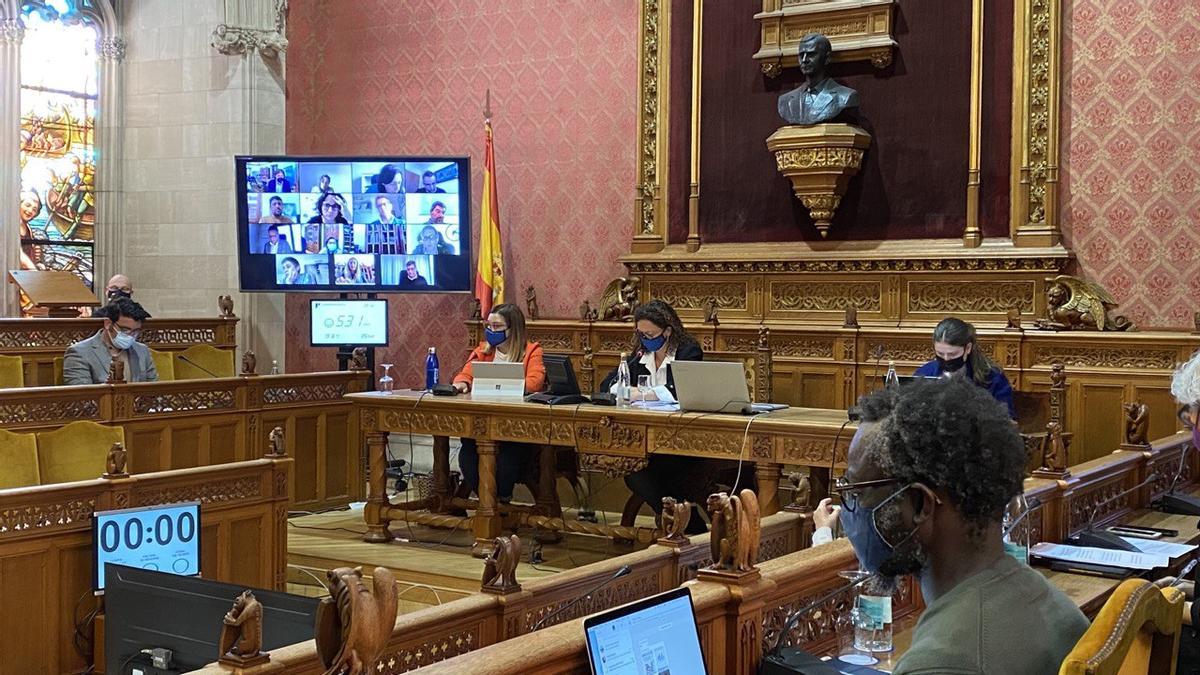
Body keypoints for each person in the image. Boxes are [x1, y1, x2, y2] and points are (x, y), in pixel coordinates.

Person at [830, 378, 1087, 673]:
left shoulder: (940, 664)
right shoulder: (1055, 604)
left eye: (858, 490)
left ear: (919, 505)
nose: (850, 507)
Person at [599, 300, 707, 532]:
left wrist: (641, 394)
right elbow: (607, 384)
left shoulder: (688, 351)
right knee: (634, 472)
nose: (646, 339)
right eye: (641, 334)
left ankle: (686, 523)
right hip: (646, 438)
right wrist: (630, 390)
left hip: (683, 440)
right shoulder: (640, 354)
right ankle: (686, 522)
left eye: (651, 334)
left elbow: (678, 390)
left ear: (668, 331)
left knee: (655, 472)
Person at [452, 303, 545, 502]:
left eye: (497, 327)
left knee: (505, 460)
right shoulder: (483, 351)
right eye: (489, 326)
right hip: (481, 424)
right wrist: (462, 383)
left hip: (516, 428)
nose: (491, 331)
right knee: (468, 454)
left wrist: (503, 384)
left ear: (513, 329)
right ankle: (488, 504)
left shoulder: (531, 351)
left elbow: (535, 383)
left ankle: (501, 501)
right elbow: (464, 374)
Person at [913, 317, 1015, 418]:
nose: (946, 359)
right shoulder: (924, 374)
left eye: (952, 354)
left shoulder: (993, 377)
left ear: (968, 348)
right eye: (940, 353)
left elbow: (1007, 419)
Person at [64, 297, 158, 385]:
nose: (130, 336)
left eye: (135, 331)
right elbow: (82, 397)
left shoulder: (142, 351)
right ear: (108, 324)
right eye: (125, 330)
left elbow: (154, 391)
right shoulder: (79, 353)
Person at [777, 33, 860, 125]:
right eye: (801, 55)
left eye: (811, 54)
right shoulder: (785, 100)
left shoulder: (845, 96)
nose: (804, 60)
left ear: (827, 58)